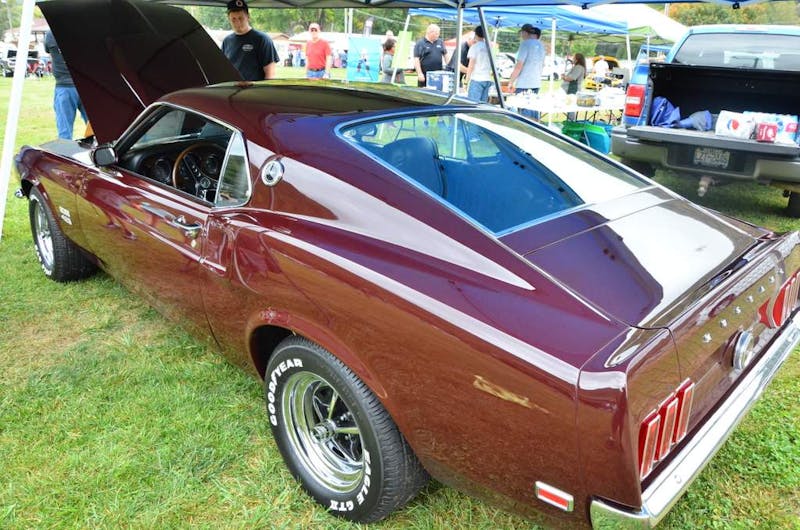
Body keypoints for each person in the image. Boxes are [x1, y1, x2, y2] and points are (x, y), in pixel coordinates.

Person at [44, 30, 87, 140]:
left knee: (64, 133)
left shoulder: (50, 34)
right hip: (85, 85)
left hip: (65, 87)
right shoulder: (81, 32)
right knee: (98, 130)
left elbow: (49, 51)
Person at [222, 0, 279, 81]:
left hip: (254, 88)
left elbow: (270, 74)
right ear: (229, 19)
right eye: (233, 19)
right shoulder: (227, 41)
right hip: (231, 87)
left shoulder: (262, 39)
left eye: (241, 18)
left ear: (248, 17)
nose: (237, 22)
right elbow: (223, 69)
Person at [507, 23, 545, 95]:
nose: (521, 35)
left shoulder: (525, 44)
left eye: (521, 33)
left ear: (525, 32)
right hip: (536, 83)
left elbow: (519, 66)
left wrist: (511, 82)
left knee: (521, 102)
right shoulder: (541, 45)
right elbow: (543, 64)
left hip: (524, 83)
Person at [465, 26, 493, 103]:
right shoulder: (489, 47)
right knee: (482, 105)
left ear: (475, 34)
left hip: (476, 79)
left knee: (473, 105)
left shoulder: (474, 47)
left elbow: (471, 65)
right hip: (487, 78)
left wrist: (466, 81)